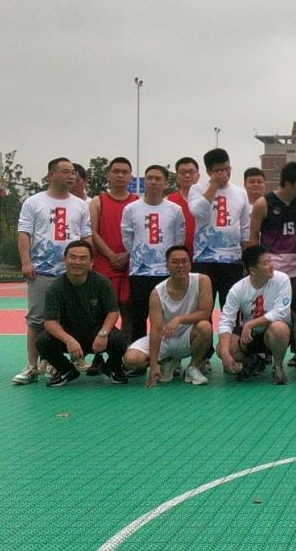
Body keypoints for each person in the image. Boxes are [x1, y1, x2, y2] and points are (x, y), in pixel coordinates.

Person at [13, 157, 92, 384]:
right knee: (37, 320)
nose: (71, 176)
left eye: (73, 172)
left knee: (71, 319)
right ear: (51, 175)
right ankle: (32, 366)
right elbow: (24, 233)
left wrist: (88, 263)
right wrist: (26, 262)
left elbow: (86, 236)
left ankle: (60, 363)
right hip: (42, 271)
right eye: (66, 172)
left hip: (72, 274)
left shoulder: (80, 205)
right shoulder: (34, 202)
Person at [249, 161, 296, 374]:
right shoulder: (263, 203)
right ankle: (262, 353)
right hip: (272, 268)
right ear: (287, 183)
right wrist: (254, 265)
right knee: (266, 311)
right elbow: (253, 236)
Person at [35, 241, 128, 387]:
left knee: (120, 340)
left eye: (83, 258)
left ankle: (112, 367)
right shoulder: (55, 288)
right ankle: (66, 370)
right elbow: (50, 322)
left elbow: (113, 312)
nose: (77, 262)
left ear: (91, 262)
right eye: (73, 257)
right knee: (42, 342)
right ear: (65, 260)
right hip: (69, 335)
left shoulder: (102, 283)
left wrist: (103, 334)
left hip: (96, 334)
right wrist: (68, 340)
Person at [123, 246, 214, 387]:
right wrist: (153, 365)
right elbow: (156, 329)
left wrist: (179, 319)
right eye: (175, 262)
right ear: (167, 265)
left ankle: (193, 367)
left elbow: (205, 313)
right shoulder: (157, 293)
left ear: (190, 264)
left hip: (188, 336)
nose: (180, 266)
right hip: (165, 338)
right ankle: (166, 362)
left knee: (205, 327)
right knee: (130, 360)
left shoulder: (202, 281)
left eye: (184, 261)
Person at [120, 165, 187, 342]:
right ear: (144, 182)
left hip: (166, 273)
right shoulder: (131, 209)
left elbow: (179, 239)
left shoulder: (175, 210)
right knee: (138, 317)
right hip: (139, 272)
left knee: (167, 317)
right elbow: (127, 238)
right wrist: (140, 256)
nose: (153, 182)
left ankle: (167, 353)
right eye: (149, 178)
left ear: (166, 183)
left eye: (158, 179)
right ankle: (139, 352)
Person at [216, 244, 293, 385]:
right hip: (249, 336)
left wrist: (251, 323)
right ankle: (253, 361)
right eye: (266, 263)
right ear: (252, 270)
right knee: (222, 348)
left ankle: (277, 367)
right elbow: (226, 321)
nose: (271, 266)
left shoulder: (282, 279)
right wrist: (225, 354)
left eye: (270, 260)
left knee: (279, 328)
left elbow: (281, 312)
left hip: (273, 332)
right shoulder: (237, 289)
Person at [190, 148, 251, 311]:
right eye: (218, 170)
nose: (224, 173)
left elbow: (245, 227)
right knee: (203, 309)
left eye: (227, 169)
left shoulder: (240, 193)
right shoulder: (197, 189)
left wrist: (246, 258)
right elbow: (197, 212)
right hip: (204, 260)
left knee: (231, 309)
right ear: (209, 171)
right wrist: (214, 186)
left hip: (232, 261)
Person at [88, 158, 138, 344]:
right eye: (116, 171)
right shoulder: (98, 201)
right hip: (104, 264)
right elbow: (92, 232)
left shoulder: (138, 202)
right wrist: (110, 255)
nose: (120, 175)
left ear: (130, 176)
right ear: (108, 175)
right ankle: (99, 353)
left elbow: (141, 235)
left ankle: (127, 351)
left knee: (129, 312)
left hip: (130, 264)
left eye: (125, 172)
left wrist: (128, 254)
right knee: (102, 312)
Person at [167, 157, 200, 259]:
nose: (187, 175)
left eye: (191, 172)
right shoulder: (168, 201)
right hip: (177, 259)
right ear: (177, 176)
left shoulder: (207, 200)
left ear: (198, 176)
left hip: (203, 257)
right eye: (182, 172)